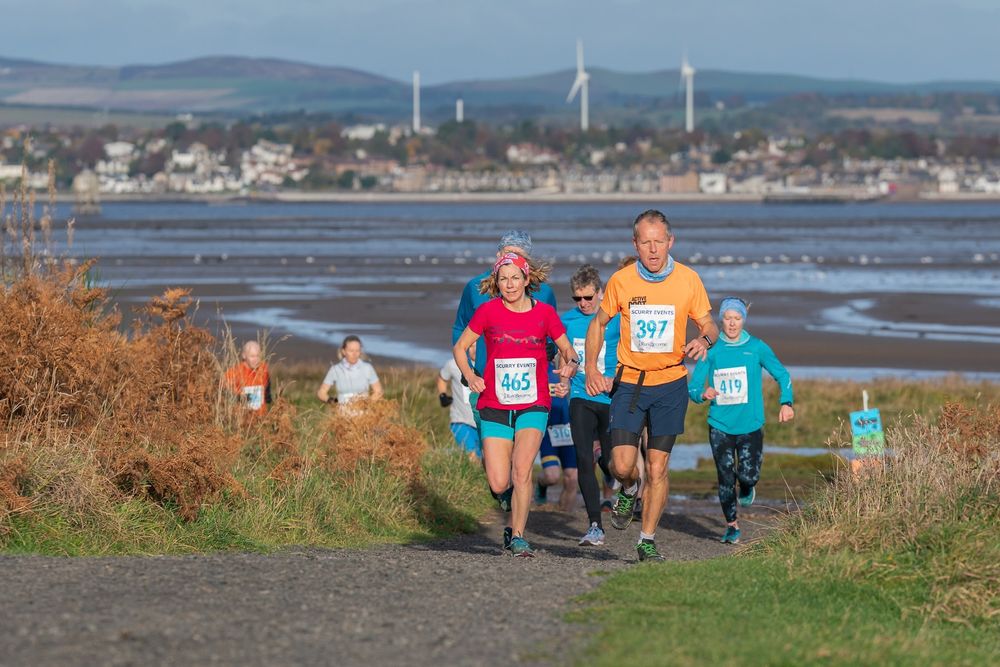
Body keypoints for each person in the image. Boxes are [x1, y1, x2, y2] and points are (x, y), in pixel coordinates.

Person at [583, 210, 719, 562]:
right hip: (630, 383)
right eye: (646, 242)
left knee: (658, 467)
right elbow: (598, 324)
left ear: (671, 242)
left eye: (659, 241)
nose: (653, 249)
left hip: (671, 383)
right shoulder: (622, 281)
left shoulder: (688, 280)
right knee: (621, 463)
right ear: (635, 244)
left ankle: (646, 540)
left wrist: (704, 340)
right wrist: (592, 370)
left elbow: (710, 324)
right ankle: (628, 487)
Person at [453, 252, 578, 558]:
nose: (509, 285)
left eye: (515, 278)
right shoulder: (488, 311)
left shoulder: (545, 313)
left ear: (526, 280)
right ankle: (507, 499)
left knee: (521, 471)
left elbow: (568, 351)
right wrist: (470, 376)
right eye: (503, 279)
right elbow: (460, 346)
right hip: (495, 403)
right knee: (498, 482)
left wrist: (569, 367)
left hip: (534, 403)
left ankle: (518, 535)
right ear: (496, 282)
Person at [451, 230, 558, 510]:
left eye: (520, 256)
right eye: (508, 253)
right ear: (498, 255)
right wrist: (468, 369)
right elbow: (459, 328)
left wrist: (552, 353)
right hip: (485, 386)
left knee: (521, 460)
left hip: (528, 389)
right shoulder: (475, 288)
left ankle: (518, 507)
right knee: (496, 460)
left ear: (528, 263)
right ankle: (504, 492)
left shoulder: (544, 292)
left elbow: (553, 334)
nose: (512, 259)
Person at [688, 296, 794, 544]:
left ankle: (747, 486)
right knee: (725, 477)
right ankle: (732, 526)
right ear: (721, 320)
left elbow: (782, 374)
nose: (732, 324)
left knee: (747, 476)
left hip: (751, 425)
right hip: (720, 426)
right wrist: (702, 394)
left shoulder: (756, 347)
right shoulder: (712, 350)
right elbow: (692, 388)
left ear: (743, 320)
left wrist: (786, 403)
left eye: (737, 319)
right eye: (727, 318)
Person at [561, 264, 621, 546]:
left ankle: (619, 482)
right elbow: (558, 355)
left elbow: (630, 355)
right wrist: (562, 374)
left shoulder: (617, 320)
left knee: (614, 465)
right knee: (583, 458)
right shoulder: (568, 321)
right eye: (577, 298)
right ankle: (595, 525)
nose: (583, 303)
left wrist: (614, 379)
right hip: (580, 397)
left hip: (610, 398)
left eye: (588, 297)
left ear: (600, 293)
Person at [535, 362, 578, 513]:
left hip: (570, 431)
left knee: (572, 479)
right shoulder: (540, 367)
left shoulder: (575, 370)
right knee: (552, 476)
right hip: (548, 430)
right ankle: (541, 483)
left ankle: (564, 515)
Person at [317, 335, 383, 408]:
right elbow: (321, 392)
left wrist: (367, 404)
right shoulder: (335, 369)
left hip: (364, 416)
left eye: (357, 351)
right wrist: (332, 401)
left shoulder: (367, 368)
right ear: (343, 351)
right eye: (351, 351)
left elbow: (378, 391)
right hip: (342, 415)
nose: (354, 354)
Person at [437, 357, 481, 461]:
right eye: (471, 346)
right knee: (471, 455)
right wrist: (442, 395)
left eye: (477, 345)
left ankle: (479, 476)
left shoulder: (486, 362)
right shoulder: (453, 364)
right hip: (460, 420)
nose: (474, 349)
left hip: (482, 422)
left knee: (483, 458)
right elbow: (442, 378)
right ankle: (470, 476)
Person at [225, 340, 271, 416]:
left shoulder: (263, 369)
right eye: (252, 356)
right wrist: (246, 396)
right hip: (241, 416)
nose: (256, 359)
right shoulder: (233, 372)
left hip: (261, 417)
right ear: (244, 355)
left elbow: (268, 397)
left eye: (258, 356)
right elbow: (227, 394)